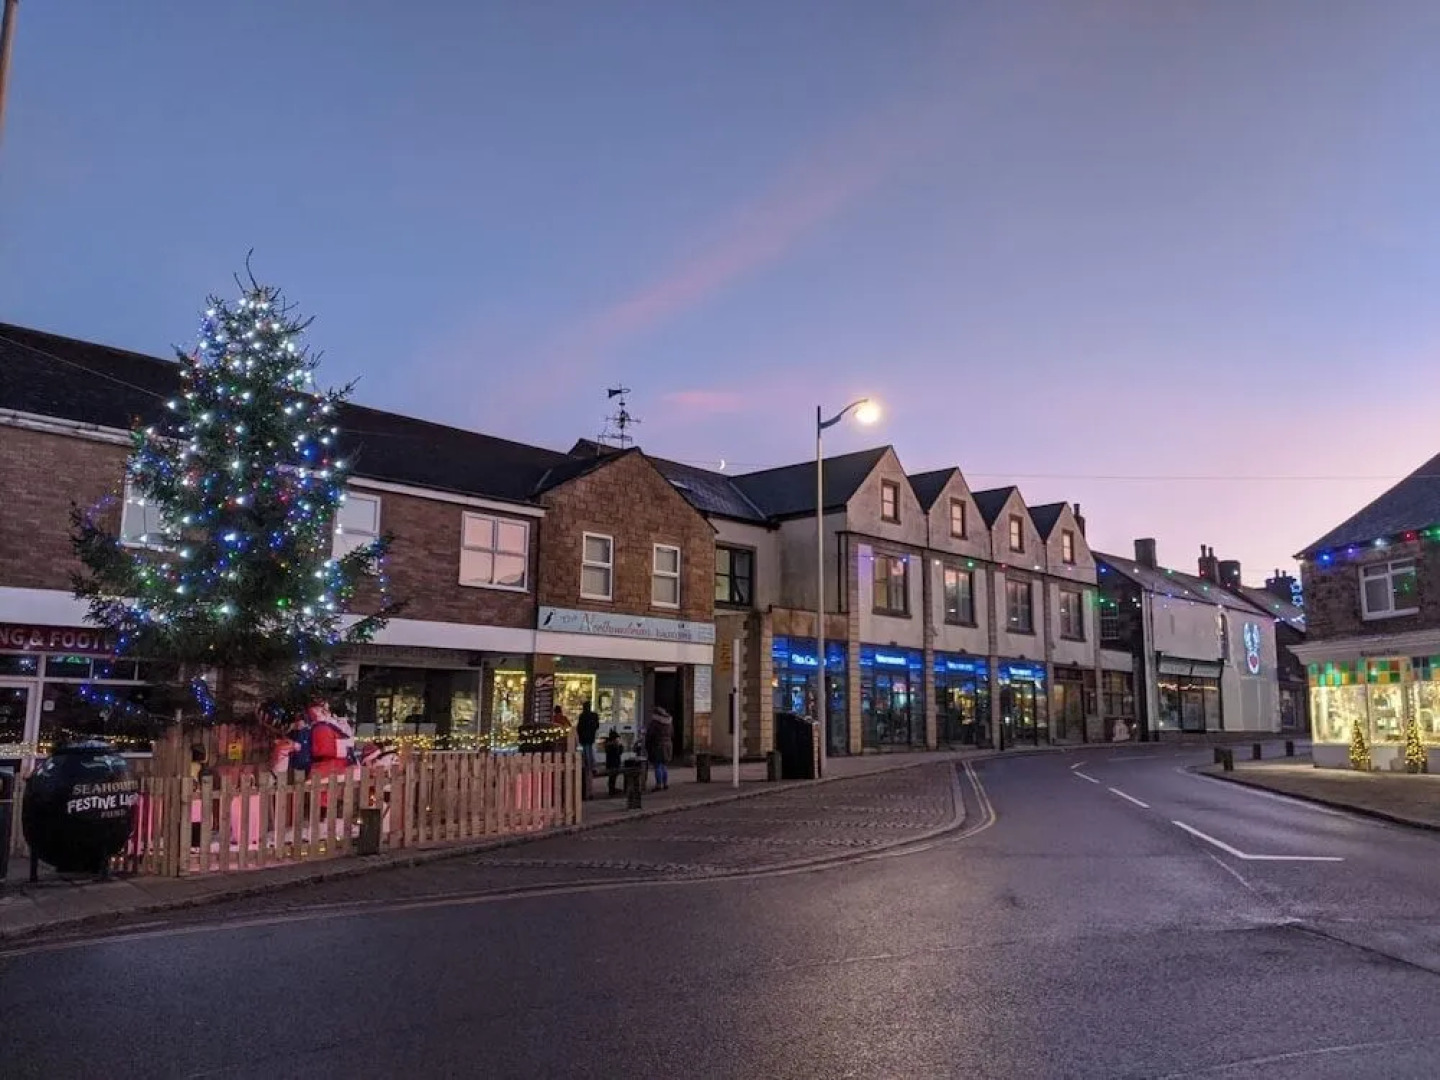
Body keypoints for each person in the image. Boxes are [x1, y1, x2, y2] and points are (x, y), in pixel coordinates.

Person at [645, 706, 674, 791]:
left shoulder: (655, 723)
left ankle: (659, 784)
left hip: (657, 745)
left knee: (657, 765)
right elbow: (672, 734)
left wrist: (647, 745)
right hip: (668, 745)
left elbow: (650, 735)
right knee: (664, 766)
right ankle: (665, 783)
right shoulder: (669, 722)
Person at [576, 700, 601, 777]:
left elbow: (579, 727)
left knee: (586, 752)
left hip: (584, 737)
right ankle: (592, 767)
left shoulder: (582, 716)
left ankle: (588, 767)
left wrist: (579, 735)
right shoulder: (594, 715)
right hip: (591, 736)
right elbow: (597, 726)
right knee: (591, 751)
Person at [603, 727, 623, 798]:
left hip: (610, 763)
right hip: (614, 763)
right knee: (613, 777)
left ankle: (612, 789)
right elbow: (619, 753)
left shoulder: (608, 744)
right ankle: (612, 790)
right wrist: (620, 746)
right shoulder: (614, 745)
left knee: (612, 777)